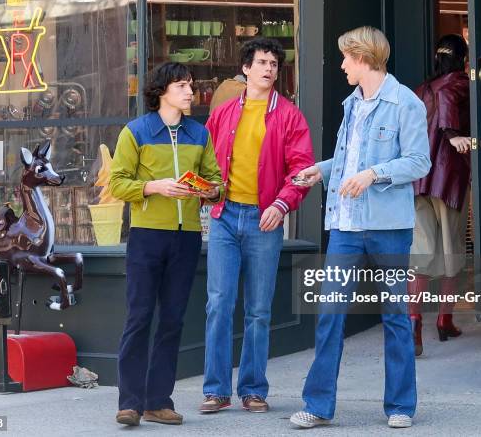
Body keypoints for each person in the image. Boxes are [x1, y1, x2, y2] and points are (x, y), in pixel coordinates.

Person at [288, 26, 430, 429]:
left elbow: (420, 162)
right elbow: (349, 160)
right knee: (330, 313)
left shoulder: (406, 103)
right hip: (345, 227)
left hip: (388, 227)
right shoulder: (352, 103)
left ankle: (400, 406)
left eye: (346, 58)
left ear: (364, 58)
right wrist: (320, 170)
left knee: (395, 315)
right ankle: (318, 405)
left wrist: (373, 174)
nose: (342, 65)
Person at [200, 37, 314, 414]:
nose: (269, 69)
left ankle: (252, 389)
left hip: (265, 219)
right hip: (225, 217)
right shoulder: (224, 113)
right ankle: (216, 389)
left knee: (259, 310)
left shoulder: (290, 116)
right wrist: (207, 191)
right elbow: (208, 164)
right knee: (218, 303)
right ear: (246, 68)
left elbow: (301, 170)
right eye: (262, 62)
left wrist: (282, 205)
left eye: (274, 64)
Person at [110, 62, 223, 427]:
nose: (190, 92)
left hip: (186, 237)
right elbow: (118, 184)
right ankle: (129, 401)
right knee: (139, 317)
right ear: (162, 91)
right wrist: (155, 186)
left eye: (190, 85)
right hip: (146, 236)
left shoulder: (198, 133)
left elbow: (217, 181)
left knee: (172, 320)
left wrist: (207, 190)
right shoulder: (136, 132)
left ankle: (158, 401)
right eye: (181, 86)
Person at [409, 34, 471, 357]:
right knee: (453, 253)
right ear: (462, 58)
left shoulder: (422, 89)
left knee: (420, 253)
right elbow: (448, 103)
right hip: (449, 179)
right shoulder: (458, 83)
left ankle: (414, 320)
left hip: (419, 182)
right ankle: (445, 318)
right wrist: (454, 134)